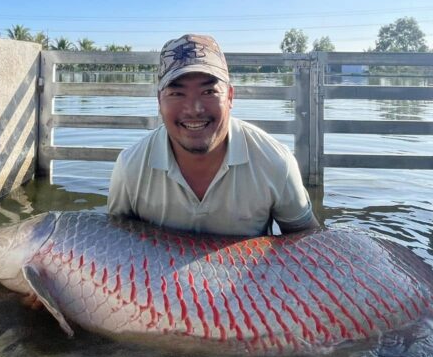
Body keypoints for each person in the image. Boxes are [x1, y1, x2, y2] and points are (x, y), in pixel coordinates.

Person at [108, 33, 319, 236]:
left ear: (230, 96)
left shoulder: (275, 162)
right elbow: (114, 246)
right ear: (159, 101)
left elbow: (310, 243)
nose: (194, 109)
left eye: (209, 92)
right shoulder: (130, 167)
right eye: (176, 93)